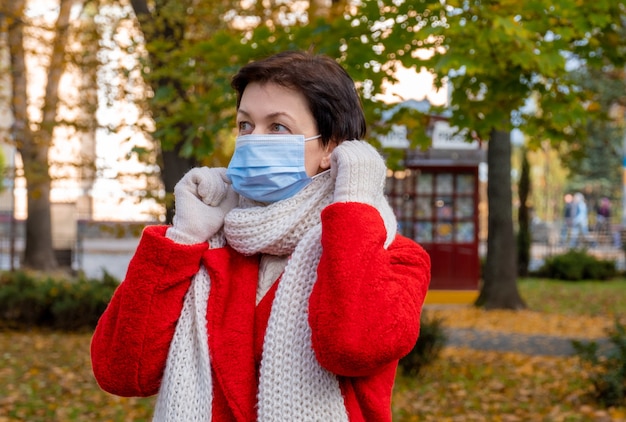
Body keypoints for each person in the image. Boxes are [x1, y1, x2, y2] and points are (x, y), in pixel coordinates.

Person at [90, 50, 431, 422]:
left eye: (278, 127)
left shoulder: (393, 257)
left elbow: (352, 347)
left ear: (331, 147)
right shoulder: (209, 249)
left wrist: (353, 208)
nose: (254, 141)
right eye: (245, 125)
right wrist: (185, 237)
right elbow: (121, 371)